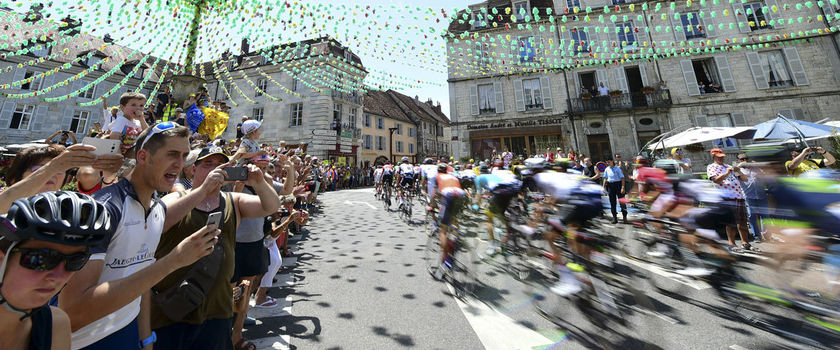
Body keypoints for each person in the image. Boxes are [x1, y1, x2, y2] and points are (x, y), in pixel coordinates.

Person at [59, 122, 223, 350]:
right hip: (88, 342)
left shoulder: (156, 210)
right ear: (143, 156)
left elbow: (142, 280)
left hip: (130, 334)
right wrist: (174, 261)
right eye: (172, 154)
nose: (180, 164)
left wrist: (146, 339)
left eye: (185, 155)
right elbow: (73, 312)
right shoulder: (103, 209)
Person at [151, 146, 280, 350]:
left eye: (220, 165)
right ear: (193, 170)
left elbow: (271, 206)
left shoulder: (233, 201)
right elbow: (159, 221)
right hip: (174, 308)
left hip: (218, 310)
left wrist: (260, 182)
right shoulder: (176, 197)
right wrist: (203, 190)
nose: (214, 169)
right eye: (207, 165)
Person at [0, 192, 111, 350]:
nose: (59, 276)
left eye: (74, 261)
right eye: (41, 259)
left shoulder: (55, 325)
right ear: (2, 259)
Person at [0, 144, 122, 214]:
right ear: (14, 179)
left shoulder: (69, 209)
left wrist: (109, 172)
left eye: (60, 170)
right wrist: (52, 167)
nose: (52, 174)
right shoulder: (6, 203)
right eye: (39, 169)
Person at [706, 148, 757, 253]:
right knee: (731, 222)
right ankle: (731, 243)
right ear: (714, 157)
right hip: (726, 197)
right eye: (720, 157)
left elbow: (745, 179)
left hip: (738, 196)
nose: (722, 158)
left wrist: (739, 171)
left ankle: (745, 243)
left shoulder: (729, 166)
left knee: (742, 221)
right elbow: (716, 180)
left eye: (723, 157)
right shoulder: (711, 167)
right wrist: (726, 173)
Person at [429, 164, 466, 280]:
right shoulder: (453, 177)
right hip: (461, 196)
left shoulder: (437, 176)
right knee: (453, 220)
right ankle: (455, 238)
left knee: (442, 231)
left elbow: (435, 194)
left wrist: (432, 206)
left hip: (449, 196)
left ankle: (446, 262)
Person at [602, 157, 627, 224]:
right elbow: (605, 178)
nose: (608, 163)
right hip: (610, 186)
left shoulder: (617, 169)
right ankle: (615, 218)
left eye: (609, 162)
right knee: (612, 202)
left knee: (622, 201)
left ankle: (624, 217)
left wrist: (623, 187)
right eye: (607, 162)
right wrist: (603, 187)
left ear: (612, 161)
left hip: (618, 185)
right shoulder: (607, 169)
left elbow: (622, 178)